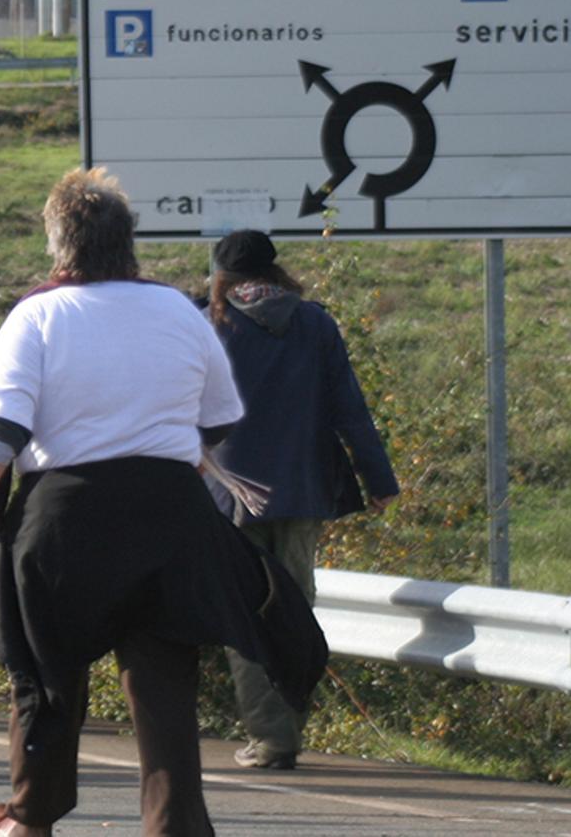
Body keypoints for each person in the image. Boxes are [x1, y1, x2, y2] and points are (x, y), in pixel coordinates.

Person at [0, 169, 328, 837]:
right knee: (163, 686)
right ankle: (175, 824)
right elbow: (218, 416)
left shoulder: (37, 315)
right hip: (169, 512)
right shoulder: (178, 311)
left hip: (64, 515)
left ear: (58, 243)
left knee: (48, 674)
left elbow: (0, 429)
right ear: (128, 240)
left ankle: (31, 817)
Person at [205, 228, 401, 771]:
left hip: (230, 497)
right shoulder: (314, 323)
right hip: (303, 490)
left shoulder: (210, 325)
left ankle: (271, 738)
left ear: (222, 276)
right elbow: (350, 409)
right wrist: (379, 481)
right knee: (295, 610)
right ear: (276, 272)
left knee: (248, 615)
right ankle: (286, 730)